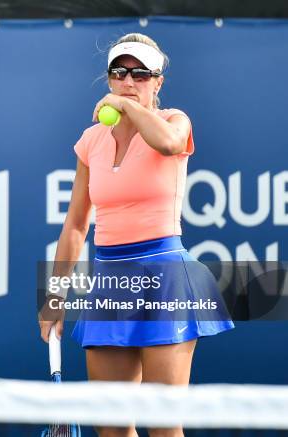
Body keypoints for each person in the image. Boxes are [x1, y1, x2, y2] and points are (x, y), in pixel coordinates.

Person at [39, 33, 234, 437]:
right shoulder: (91, 140)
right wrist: (55, 296)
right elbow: (76, 224)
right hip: (110, 279)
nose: (129, 80)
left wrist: (126, 106)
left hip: (165, 278)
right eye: (119, 72)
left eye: (141, 74)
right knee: (111, 428)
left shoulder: (174, 120)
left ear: (158, 82)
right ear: (108, 78)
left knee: (163, 426)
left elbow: (167, 144)